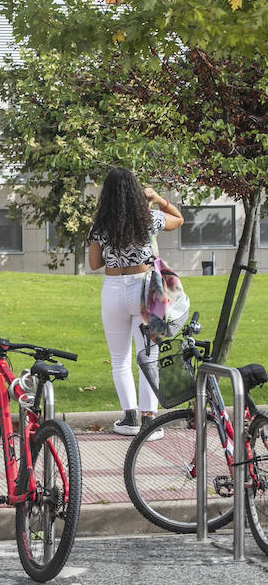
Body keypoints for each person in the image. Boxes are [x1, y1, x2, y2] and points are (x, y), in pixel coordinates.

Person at [87, 168, 184, 437]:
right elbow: (179, 219)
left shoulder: (99, 225)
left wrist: (115, 253)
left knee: (120, 359)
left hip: (113, 290)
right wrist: (157, 198)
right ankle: (150, 421)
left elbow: (94, 264)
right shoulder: (149, 219)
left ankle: (130, 418)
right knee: (148, 356)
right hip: (145, 287)